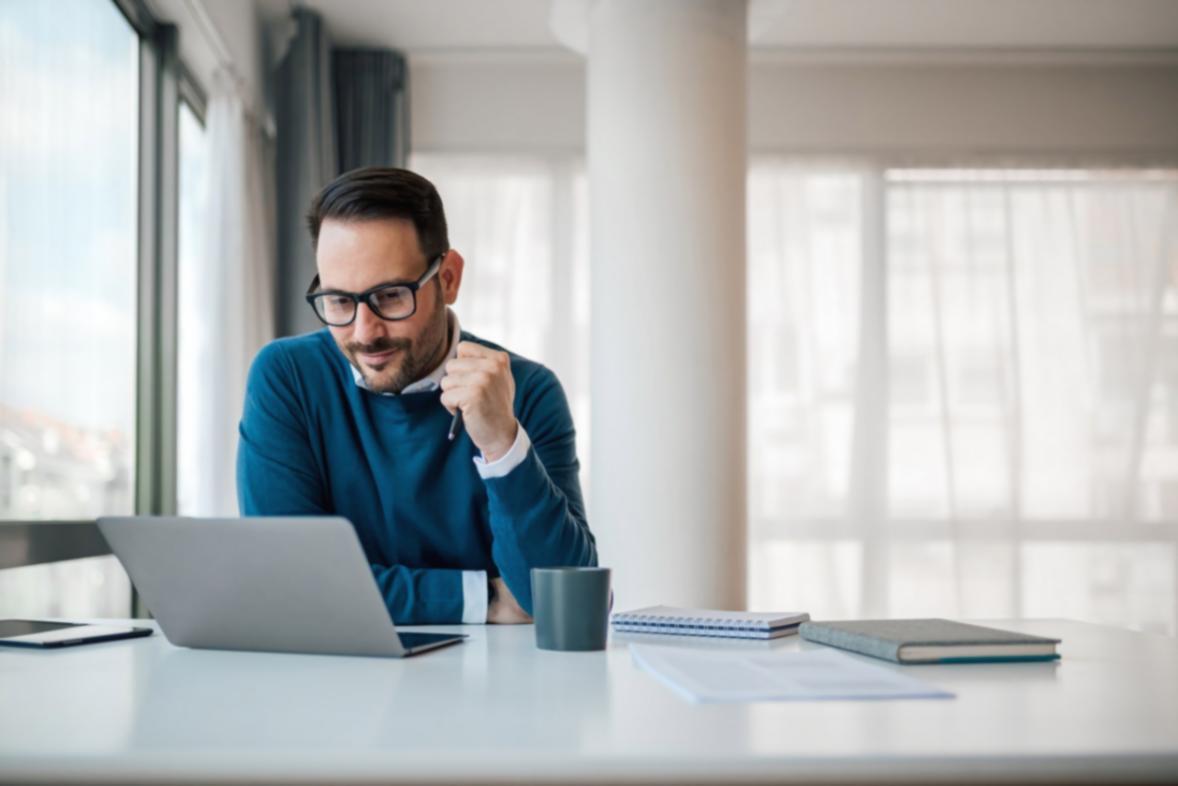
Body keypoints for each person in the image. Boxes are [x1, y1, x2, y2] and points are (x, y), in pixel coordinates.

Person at [236, 166, 596, 624]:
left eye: (389, 296)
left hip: (494, 672)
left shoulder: (528, 391)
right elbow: (288, 581)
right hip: (336, 667)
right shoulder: (287, 377)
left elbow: (565, 599)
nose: (364, 333)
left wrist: (502, 445)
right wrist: (481, 598)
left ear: (448, 279)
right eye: (340, 301)